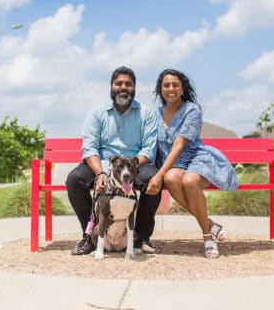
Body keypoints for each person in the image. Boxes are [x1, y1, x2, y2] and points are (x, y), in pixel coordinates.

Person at [66, 66, 162, 255]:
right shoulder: (97, 112)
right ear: (111, 87)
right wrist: (101, 172)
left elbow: (149, 149)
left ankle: (140, 238)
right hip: (102, 165)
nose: (123, 87)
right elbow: (90, 147)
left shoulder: (146, 114)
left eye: (128, 84)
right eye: (119, 83)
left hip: (135, 165)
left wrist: (131, 169)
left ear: (134, 88)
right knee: (74, 179)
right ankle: (90, 237)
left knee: (153, 179)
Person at [146, 69, 239, 258]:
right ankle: (211, 224)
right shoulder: (154, 114)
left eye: (175, 85)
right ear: (160, 89)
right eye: (166, 85)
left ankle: (207, 237)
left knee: (189, 181)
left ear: (182, 89)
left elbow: (179, 145)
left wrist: (158, 174)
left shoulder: (192, 110)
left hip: (196, 158)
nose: (170, 89)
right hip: (173, 164)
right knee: (172, 178)